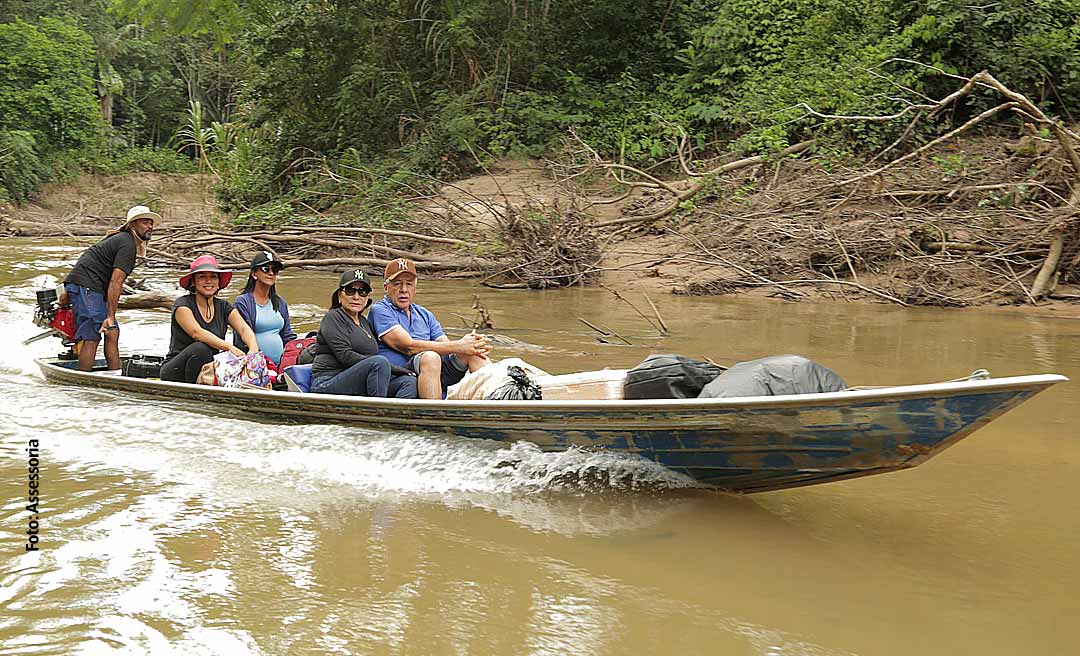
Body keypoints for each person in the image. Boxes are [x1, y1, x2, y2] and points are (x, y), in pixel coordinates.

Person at [369, 258, 491, 399]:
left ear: (415, 288)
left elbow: (445, 345)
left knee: (474, 353)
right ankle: (434, 414)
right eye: (397, 284)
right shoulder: (380, 310)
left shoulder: (424, 314)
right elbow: (408, 347)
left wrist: (471, 346)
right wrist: (459, 345)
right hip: (402, 373)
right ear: (386, 288)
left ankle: (496, 401)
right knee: (431, 357)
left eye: (409, 284)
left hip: (435, 371)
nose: (404, 290)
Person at [59, 205, 157, 372]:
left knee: (112, 332)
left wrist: (66, 296)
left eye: (152, 223)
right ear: (132, 225)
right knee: (93, 334)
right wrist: (110, 315)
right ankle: (83, 381)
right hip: (88, 285)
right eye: (145, 222)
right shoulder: (126, 244)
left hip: (89, 285)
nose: (150, 227)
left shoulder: (123, 240)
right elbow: (116, 282)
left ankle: (115, 376)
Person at [310, 269, 417, 399]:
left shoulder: (364, 322)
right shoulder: (333, 317)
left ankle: (398, 417)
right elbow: (345, 356)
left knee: (408, 382)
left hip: (358, 380)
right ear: (339, 295)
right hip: (327, 382)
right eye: (350, 291)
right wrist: (393, 368)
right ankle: (377, 414)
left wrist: (404, 369)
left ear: (367, 298)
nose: (356, 297)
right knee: (379, 362)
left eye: (362, 292)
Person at [160, 255, 260, 384]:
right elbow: (197, 333)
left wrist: (253, 350)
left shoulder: (224, 306)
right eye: (202, 277)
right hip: (175, 370)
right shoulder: (182, 305)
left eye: (213, 277)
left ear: (218, 283)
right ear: (193, 282)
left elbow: (243, 328)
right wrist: (230, 348)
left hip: (209, 368)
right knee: (201, 348)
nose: (208, 281)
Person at [232, 251, 296, 366]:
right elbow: (242, 338)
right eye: (266, 269)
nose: (271, 273)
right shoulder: (243, 302)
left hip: (281, 365)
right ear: (254, 274)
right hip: (255, 365)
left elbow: (287, 336)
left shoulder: (280, 303)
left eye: (275, 270)